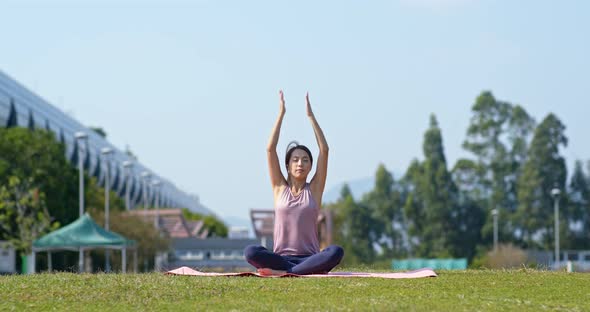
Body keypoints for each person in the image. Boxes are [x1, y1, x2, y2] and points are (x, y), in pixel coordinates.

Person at [244, 90, 344, 275]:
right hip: (280, 258)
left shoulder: (314, 189)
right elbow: (270, 149)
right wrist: (281, 114)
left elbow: (324, 150)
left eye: (305, 160)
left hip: (310, 258)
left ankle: (287, 272)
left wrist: (311, 116)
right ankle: (294, 271)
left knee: (336, 251)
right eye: (296, 160)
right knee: (251, 251)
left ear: (311, 166)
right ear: (288, 166)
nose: (300, 163)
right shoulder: (279, 188)